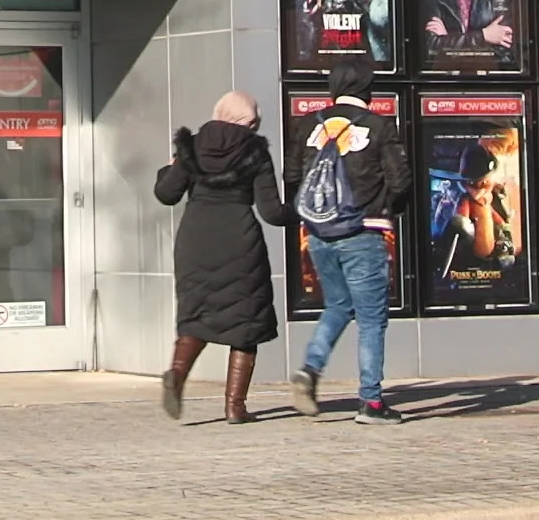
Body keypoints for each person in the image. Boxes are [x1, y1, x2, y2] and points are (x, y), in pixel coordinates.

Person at [153, 90, 292, 424]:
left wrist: (166, 170)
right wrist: (303, 213)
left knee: (196, 313)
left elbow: (166, 193)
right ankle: (235, 407)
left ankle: (177, 374)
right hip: (239, 241)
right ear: (251, 120)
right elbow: (272, 212)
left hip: (195, 240)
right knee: (246, 322)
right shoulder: (255, 151)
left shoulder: (192, 145)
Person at [290, 56, 409, 424]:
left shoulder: (309, 124)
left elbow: (291, 175)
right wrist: (389, 210)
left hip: (320, 233)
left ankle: (311, 368)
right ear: (367, 90)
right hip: (363, 232)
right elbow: (400, 180)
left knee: (338, 305)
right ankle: (371, 402)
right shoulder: (379, 126)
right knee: (372, 319)